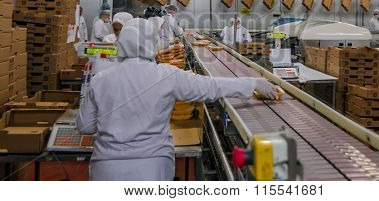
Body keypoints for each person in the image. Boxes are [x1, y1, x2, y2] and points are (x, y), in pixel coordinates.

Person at [76, 18, 280, 181]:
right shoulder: (166, 75)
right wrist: (252, 84)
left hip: (107, 169)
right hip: (151, 168)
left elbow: (85, 127)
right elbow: (211, 86)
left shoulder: (101, 80)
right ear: (150, 44)